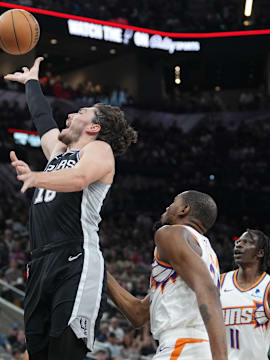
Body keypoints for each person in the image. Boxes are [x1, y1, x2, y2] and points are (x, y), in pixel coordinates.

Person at [5, 57, 137, 360]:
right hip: (39, 262)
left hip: (75, 258)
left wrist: (36, 176)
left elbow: (79, 179)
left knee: (65, 352)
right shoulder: (58, 153)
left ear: (93, 126)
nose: (71, 114)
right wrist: (32, 84)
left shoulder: (99, 150)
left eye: (81, 112)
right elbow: (43, 119)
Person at [107, 191, 227, 360]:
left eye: (173, 202)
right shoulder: (206, 253)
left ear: (184, 209)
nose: (168, 206)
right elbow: (138, 314)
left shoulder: (171, 233)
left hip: (183, 346)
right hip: (196, 347)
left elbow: (208, 290)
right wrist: (100, 269)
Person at [220, 229, 270, 360]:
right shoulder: (219, 283)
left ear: (260, 253)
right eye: (238, 241)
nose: (239, 244)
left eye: (246, 242)